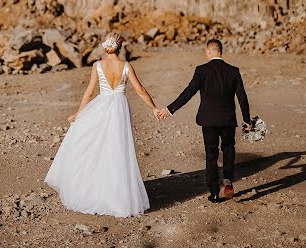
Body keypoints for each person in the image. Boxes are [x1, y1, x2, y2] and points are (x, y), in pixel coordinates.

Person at [44, 31, 162, 217]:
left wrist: (79, 113)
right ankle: (119, 197)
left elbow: (89, 93)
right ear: (120, 47)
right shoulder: (126, 66)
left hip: (101, 107)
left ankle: (94, 190)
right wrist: (154, 108)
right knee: (118, 151)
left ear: (106, 46)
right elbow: (140, 90)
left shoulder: (98, 65)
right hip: (120, 110)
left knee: (95, 147)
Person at [158, 38, 253, 202]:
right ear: (220, 51)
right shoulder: (233, 71)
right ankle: (228, 180)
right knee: (229, 149)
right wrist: (247, 120)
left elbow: (188, 92)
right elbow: (242, 97)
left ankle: (215, 192)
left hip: (208, 120)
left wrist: (169, 109)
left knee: (211, 155)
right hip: (228, 119)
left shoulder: (202, 70)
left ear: (209, 51)